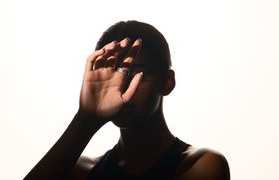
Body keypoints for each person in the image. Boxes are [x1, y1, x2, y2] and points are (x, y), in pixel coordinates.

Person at [24, 20, 230, 180]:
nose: (120, 88)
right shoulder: (80, 171)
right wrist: (86, 118)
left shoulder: (200, 166)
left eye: (136, 73)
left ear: (167, 82)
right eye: (111, 73)